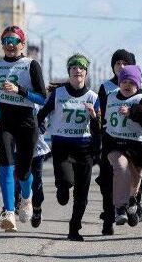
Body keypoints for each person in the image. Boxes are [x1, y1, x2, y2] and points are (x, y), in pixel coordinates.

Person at [0, 25, 47, 232]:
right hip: (4, 120)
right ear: (2, 44)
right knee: (6, 163)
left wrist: (20, 90)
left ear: (22, 44)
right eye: (6, 41)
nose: (10, 46)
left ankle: (26, 199)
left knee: (23, 171)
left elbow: (42, 97)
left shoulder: (31, 65)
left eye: (14, 41)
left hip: (26, 121)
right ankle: (9, 211)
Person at [37, 54, 100, 241]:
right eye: (73, 68)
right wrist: (36, 130)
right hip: (62, 147)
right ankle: (61, 187)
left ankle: (74, 229)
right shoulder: (58, 94)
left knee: (82, 193)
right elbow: (41, 115)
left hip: (84, 149)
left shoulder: (93, 97)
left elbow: (98, 130)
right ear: (69, 72)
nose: (77, 70)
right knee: (66, 184)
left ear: (86, 73)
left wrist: (94, 117)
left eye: (81, 68)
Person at [103, 65, 142, 227]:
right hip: (115, 143)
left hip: (136, 147)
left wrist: (132, 111)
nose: (127, 85)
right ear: (119, 83)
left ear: (138, 85)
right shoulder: (110, 97)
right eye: (124, 81)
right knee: (121, 168)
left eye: (131, 83)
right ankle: (119, 208)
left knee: (135, 179)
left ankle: (132, 199)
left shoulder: (141, 99)